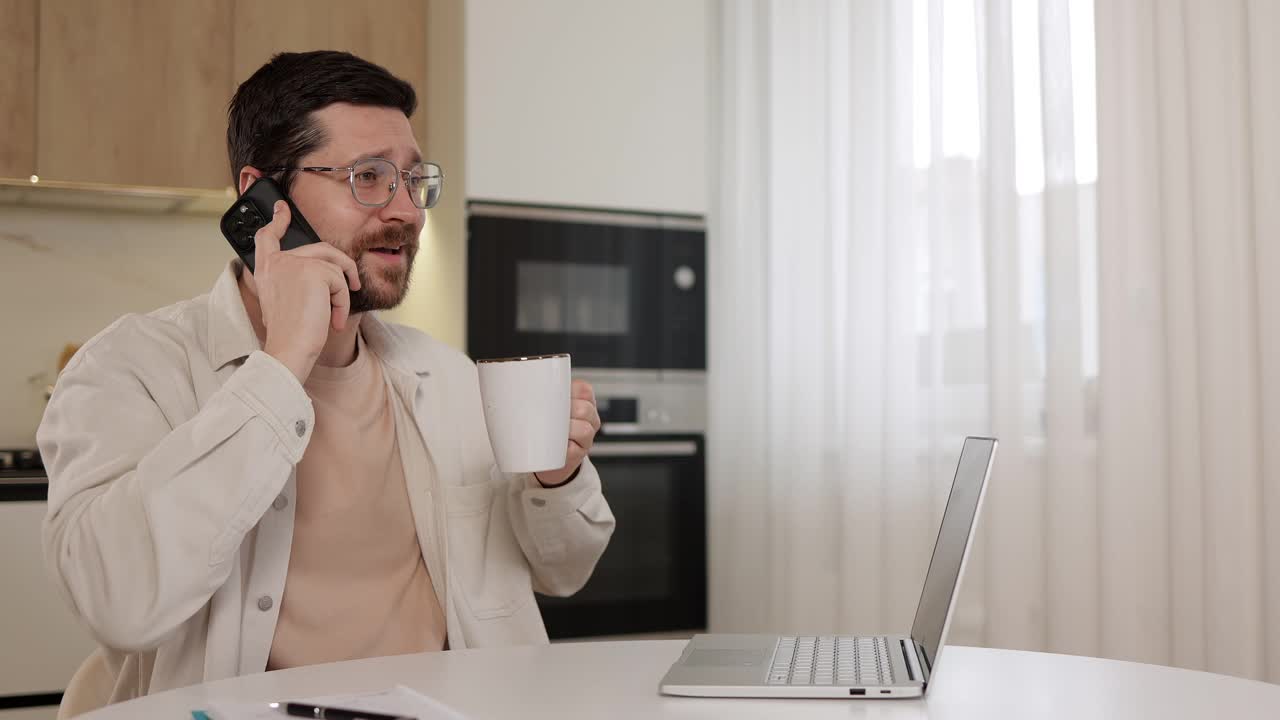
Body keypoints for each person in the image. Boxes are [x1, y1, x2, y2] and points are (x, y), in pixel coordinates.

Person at [37, 50, 614, 710]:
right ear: (264, 196)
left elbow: (564, 569)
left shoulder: (446, 375)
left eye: (413, 179)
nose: (406, 210)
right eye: (367, 177)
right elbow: (119, 601)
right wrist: (281, 366)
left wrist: (556, 478)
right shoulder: (129, 367)